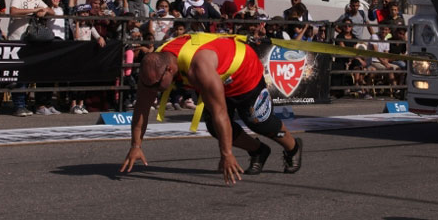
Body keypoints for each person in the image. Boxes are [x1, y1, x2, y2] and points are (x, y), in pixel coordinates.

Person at [119, 34, 304, 184]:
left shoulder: (198, 68)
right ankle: (258, 151)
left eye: (158, 87)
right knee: (214, 127)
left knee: (257, 120)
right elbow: (141, 109)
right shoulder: (153, 70)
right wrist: (136, 145)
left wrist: (226, 154)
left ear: (169, 70)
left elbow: (220, 113)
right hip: (218, 75)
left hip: (244, 73)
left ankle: (293, 147)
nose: (155, 92)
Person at [8, 0, 55, 117]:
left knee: (26, 75)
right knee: (17, 76)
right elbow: (13, 11)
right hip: (16, 41)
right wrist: (33, 11)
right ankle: (19, 106)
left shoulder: (36, 0)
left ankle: (23, 104)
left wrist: (44, 10)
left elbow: (51, 11)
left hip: (30, 41)